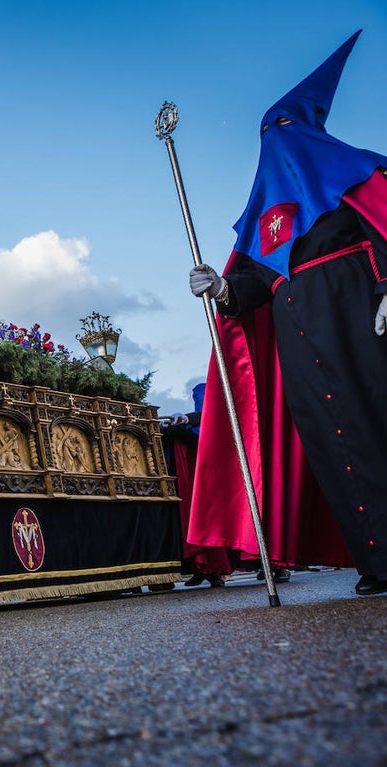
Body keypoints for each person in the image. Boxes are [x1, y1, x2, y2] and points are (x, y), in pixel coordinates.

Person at [187, 31, 386, 596]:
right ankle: (375, 561)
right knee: (333, 441)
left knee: (377, 424)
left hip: (360, 319)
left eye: (285, 127)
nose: (276, 140)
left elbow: (385, 226)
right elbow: (253, 286)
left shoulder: (362, 175)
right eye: (266, 132)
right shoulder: (265, 217)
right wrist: (221, 286)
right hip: (301, 342)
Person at [159, 384, 234, 588]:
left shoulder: (219, 417)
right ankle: (202, 569)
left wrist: (184, 421)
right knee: (195, 521)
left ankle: (215, 570)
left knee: (210, 522)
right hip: (194, 482)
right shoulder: (194, 423)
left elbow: (205, 425)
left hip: (213, 482)